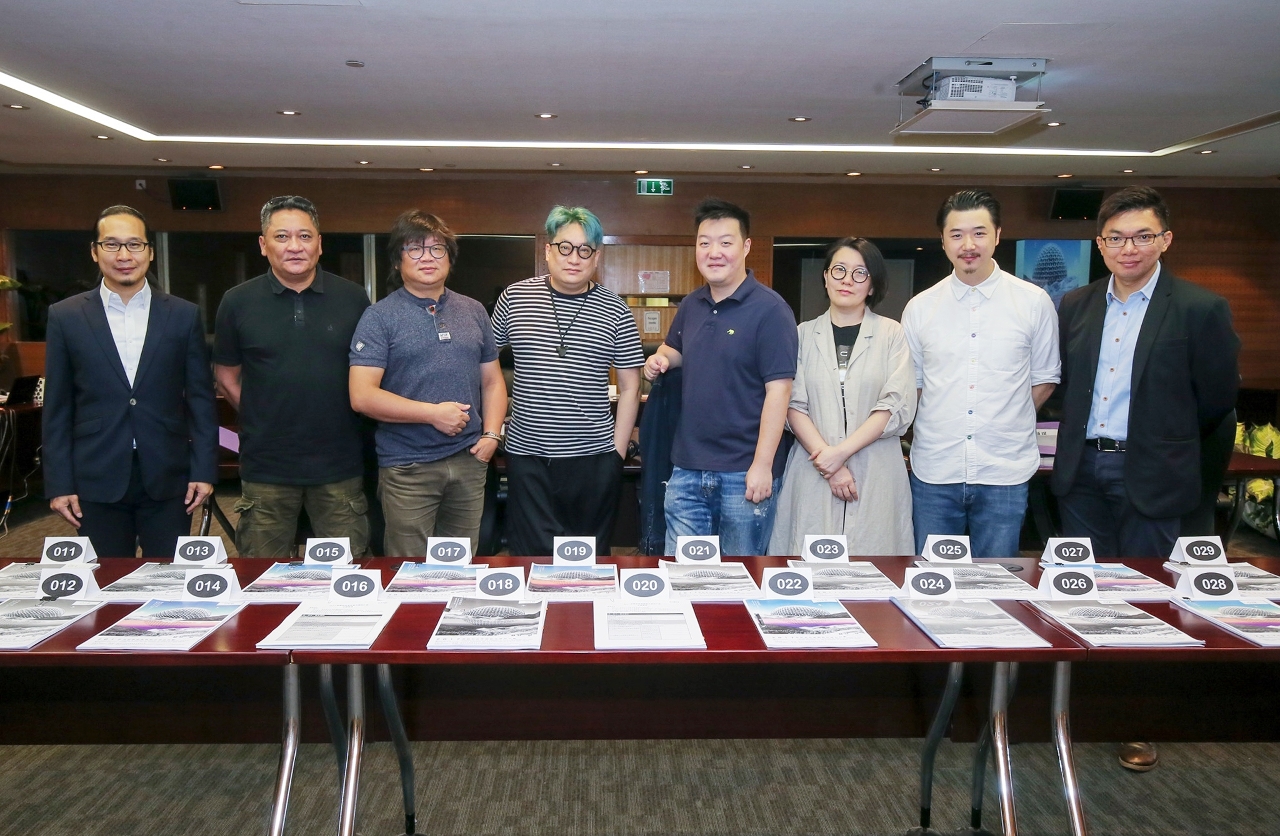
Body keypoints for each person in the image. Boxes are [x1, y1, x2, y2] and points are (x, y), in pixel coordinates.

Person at [43, 205, 217, 557]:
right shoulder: (65, 316)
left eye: (134, 244)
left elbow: (200, 399)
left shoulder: (183, 315)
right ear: (95, 252)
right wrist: (59, 483)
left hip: (169, 478)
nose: (124, 255)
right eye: (112, 244)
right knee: (103, 587)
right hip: (96, 476)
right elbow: (58, 405)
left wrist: (204, 470)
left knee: (169, 584)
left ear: (150, 252)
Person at [902, 189, 1060, 558]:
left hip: (1004, 469)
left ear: (997, 235)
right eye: (956, 234)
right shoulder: (920, 308)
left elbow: (1045, 378)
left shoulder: (1033, 302)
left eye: (979, 232)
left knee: (997, 585)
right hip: (936, 470)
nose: (968, 244)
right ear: (942, 241)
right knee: (932, 582)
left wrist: (1006, 417)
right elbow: (915, 386)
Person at [213, 196, 371, 557]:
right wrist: (262, 414)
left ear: (320, 243)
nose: (295, 246)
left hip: (339, 462)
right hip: (267, 463)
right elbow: (227, 376)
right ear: (263, 244)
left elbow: (367, 374)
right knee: (261, 575)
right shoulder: (237, 301)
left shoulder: (353, 298)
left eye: (305, 236)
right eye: (282, 237)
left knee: (347, 570)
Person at [644, 199, 798, 556]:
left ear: (745, 247)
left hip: (743, 474)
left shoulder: (772, 310)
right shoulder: (692, 304)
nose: (714, 252)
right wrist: (660, 358)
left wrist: (762, 465)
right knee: (683, 577)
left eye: (725, 242)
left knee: (740, 581)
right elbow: (676, 349)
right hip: (686, 469)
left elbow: (779, 391)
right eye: (704, 242)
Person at [349, 211, 507, 556]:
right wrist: (432, 414)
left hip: (469, 460)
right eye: (415, 249)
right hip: (408, 466)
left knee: (461, 563)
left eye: (437, 249)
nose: (427, 258)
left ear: (450, 258)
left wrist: (492, 435)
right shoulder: (379, 317)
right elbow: (362, 396)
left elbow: (493, 381)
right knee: (410, 570)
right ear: (397, 260)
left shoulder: (474, 311)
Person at [491, 206, 644, 555]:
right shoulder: (514, 298)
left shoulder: (616, 309)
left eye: (584, 250)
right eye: (564, 247)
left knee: (585, 560)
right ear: (547, 250)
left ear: (596, 257)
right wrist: (492, 428)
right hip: (527, 456)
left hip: (593, 457)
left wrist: (616, 455)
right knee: (531, 560)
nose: (574, 258)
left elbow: (631, 386)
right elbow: (485, 365)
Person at [769, 238, 915, 556]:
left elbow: (896, 404)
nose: (847, 279)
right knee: (806, 568)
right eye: (839, 270)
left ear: (873, 285)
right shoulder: (801, 334)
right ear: (825, 277)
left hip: (876, 471)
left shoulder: (893, 334)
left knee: (876, 571)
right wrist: (830, 463)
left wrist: (841, 454)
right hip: (813, 468)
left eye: (860, 273)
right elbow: (791, 403)